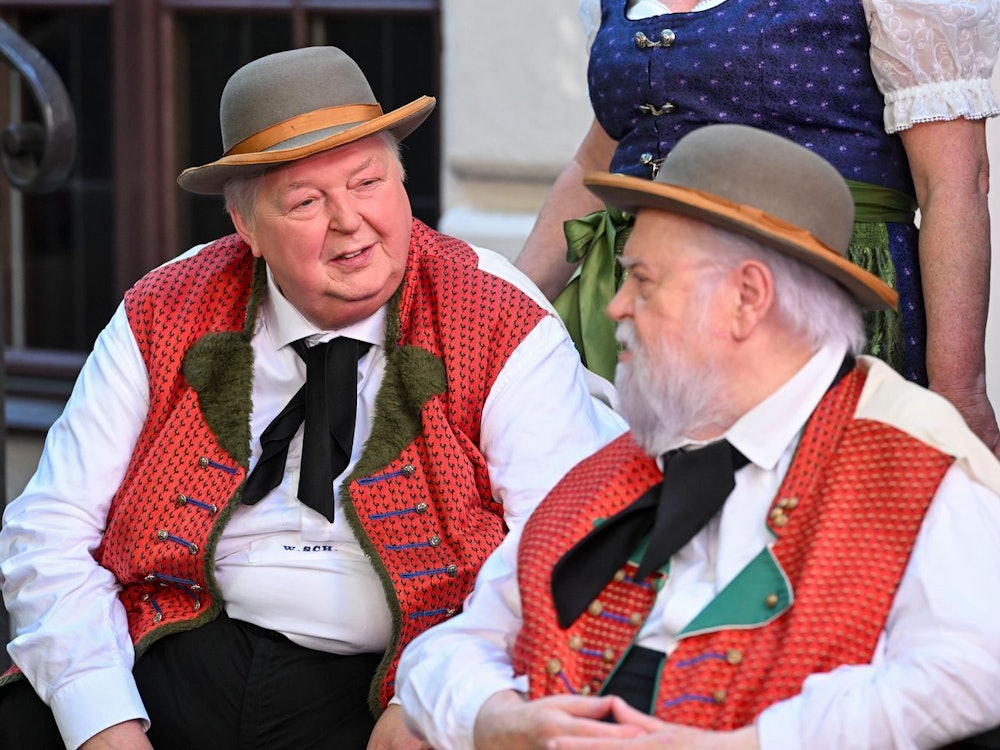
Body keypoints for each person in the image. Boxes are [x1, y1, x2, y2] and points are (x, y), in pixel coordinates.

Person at [0, 46, 627, 750]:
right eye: (305, 201)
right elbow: (49, 527)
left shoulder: (496, 314)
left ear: (401, 180)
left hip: (388, 680)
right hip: (174, 648)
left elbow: (566, 548)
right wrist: (102, 721)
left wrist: (444, 692)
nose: (348, 220)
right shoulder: (166, 305)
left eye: (367, 182)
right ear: (247, 227)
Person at [396, 124, 1000, 750]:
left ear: (746, 298)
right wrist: (495, 720)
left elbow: (975, 668)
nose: (615, 305)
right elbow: (448, 650)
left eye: (644, 279)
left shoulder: (911, 463)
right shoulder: (619, 464)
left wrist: (752, 744)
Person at [513, 0, 1000, 458]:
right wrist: (503, 311)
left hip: (805, 296)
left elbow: (952, 182)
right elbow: (596, 163)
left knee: (826, 519)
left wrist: (958, 392)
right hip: (638, 306)